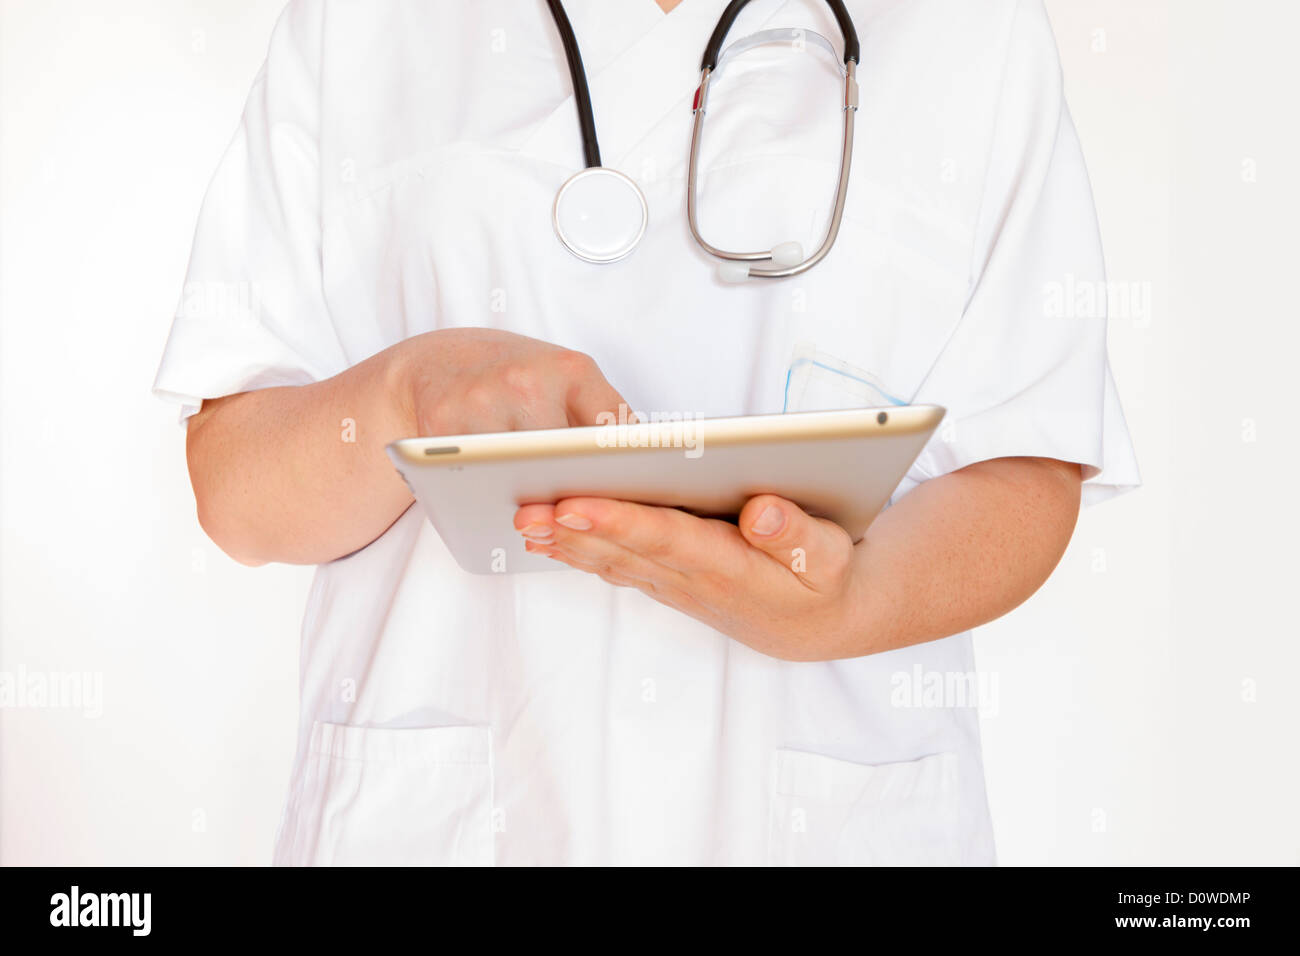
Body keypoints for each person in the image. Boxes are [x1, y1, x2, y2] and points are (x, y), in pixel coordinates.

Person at [155, 0, 1139, 865]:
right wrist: (399, 398)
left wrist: (845, 606)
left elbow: (1028, 458)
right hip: (439, 814)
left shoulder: (970, 27)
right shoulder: (361, 23)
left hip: (829, 814)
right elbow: (235, 488)